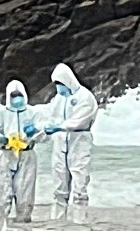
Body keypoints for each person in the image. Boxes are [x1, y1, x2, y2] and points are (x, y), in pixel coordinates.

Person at [41, 63, 99, 220]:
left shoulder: (85, 97)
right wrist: (42, 129)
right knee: (60, 185)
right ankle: (58, 220)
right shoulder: (60, 98)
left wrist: (59, 127)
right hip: (60, 142)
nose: (59, 88)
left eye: (61, 84)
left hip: (79, 141)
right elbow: (50, 116)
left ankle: (80, 219)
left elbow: (79, 121)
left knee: (79, 181)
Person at [0, 80, 43, 222]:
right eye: (14, 95)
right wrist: (0, 139)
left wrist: (34, 132)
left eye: (19, 95)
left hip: (26, 154)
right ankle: (2, 221)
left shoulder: (33, 113)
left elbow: (44, 133)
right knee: (4, 187)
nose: (17, 98)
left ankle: (24, 218)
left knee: (25, 188)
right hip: (5, 154)